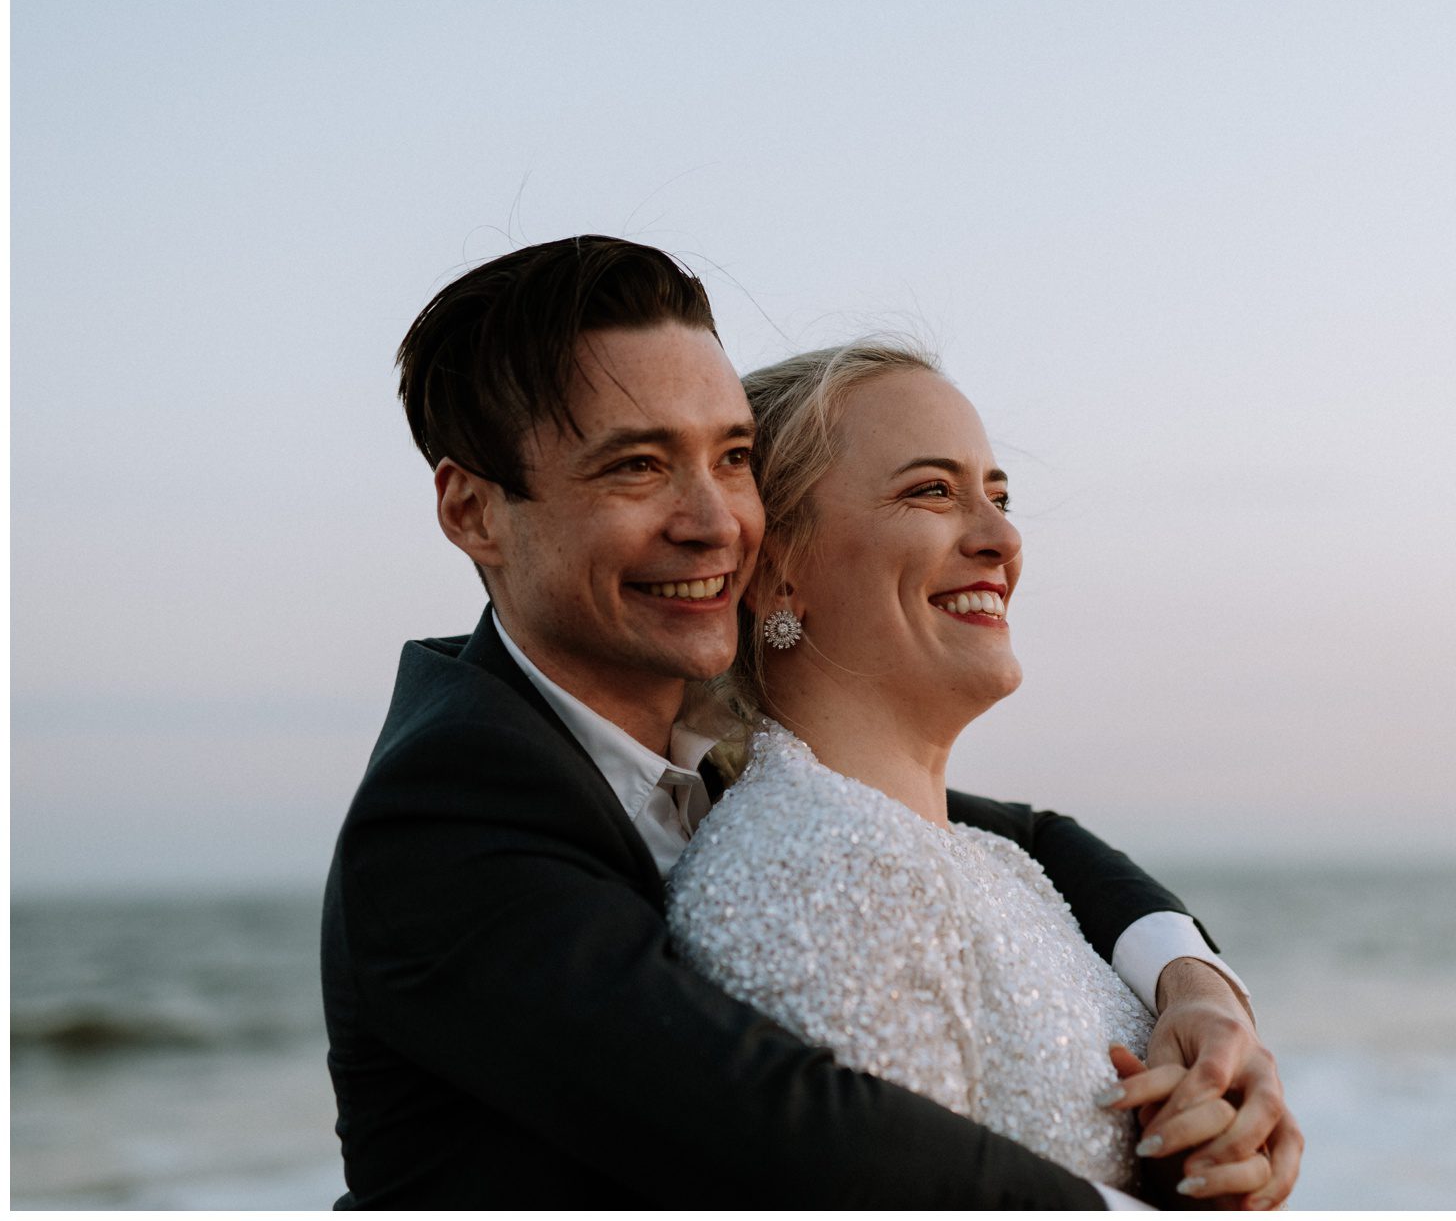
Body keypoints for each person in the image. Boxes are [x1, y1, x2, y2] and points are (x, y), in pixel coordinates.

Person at [320, 235, 1298, 1208]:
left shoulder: (720, 753)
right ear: (473, 510)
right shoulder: (447, 809)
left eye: (732, 457)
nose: (716, 522)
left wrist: (1195, 990)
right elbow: (784, 1129)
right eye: (638, 466)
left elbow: (1022, 838)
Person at [667, 340, 1304, 1205]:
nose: (1002, 539)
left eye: (998, 497)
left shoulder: (994, 862)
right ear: (778, 573)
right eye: (932, 491)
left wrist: (1191, 1159)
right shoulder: (817, 867)